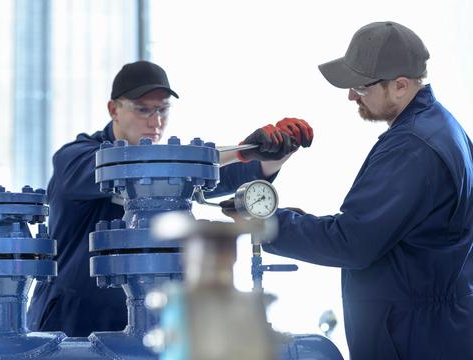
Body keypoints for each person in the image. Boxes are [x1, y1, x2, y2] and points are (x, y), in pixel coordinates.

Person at [223, 21, 473, 360]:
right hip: (435, 328)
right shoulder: (441, 127)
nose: (352, 95)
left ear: (400, 86)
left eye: (361, 86)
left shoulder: (412, 147)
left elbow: (351, 242)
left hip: (412, 337)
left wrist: (267, 224)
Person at [27, 60, 313, 336]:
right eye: (143, 110)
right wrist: (240, 151)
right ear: (114, 109)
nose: (156, 121)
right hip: (69, 320)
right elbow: (126, 167)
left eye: (163, 110)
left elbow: (214, 177)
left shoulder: (165, 172)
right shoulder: (74, 159)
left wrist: (272, 156)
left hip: (141, 318)